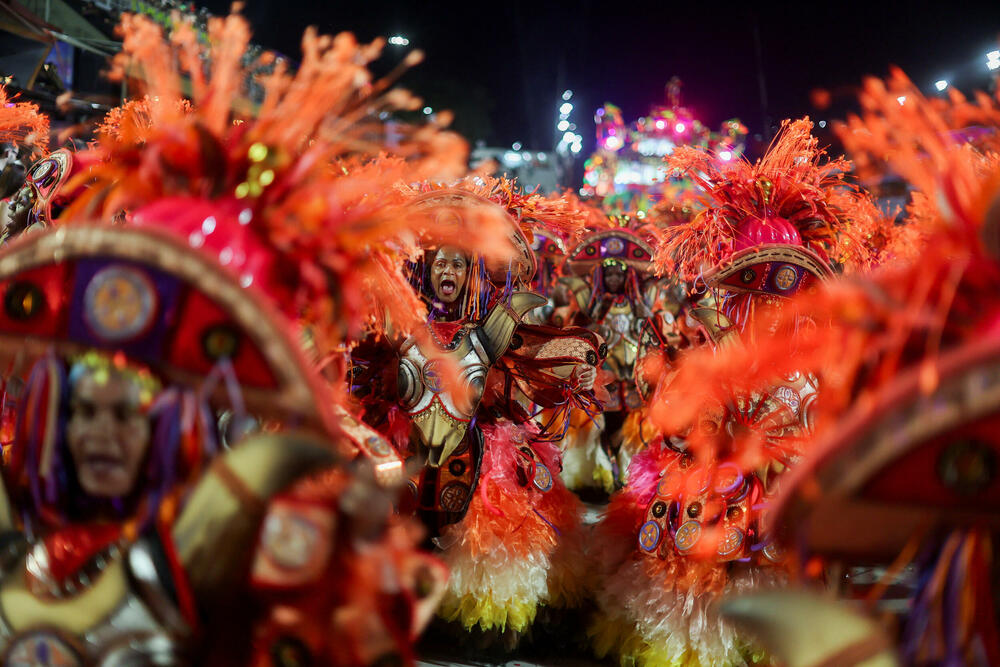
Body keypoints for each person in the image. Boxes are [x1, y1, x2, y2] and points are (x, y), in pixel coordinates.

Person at [588, 118, 884, 667]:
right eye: (760, 276)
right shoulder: (714, 354)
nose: (773, 290)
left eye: (785, 276)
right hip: (723, 497)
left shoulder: (823, 358)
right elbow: (681, 428)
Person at [352, 184, 602, 651]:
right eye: (440, 262)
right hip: (408, 448)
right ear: (427, 270)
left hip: (475, 447)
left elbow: (535, 363)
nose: (447, 270)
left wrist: (569, 367)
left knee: (489, 513)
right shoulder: (403, 324)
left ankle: (478, 620)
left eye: (459, 263)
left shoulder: (489, 326)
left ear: (473, 273)